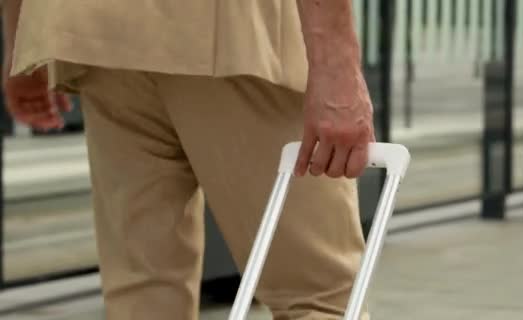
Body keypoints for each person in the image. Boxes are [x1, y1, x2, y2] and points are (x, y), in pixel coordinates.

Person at [2, 1, 376, 319]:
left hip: (95, 32)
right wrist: (336, 67)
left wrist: (18, 39)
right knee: (319, 297)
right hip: (230, 30)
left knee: (144, 295)